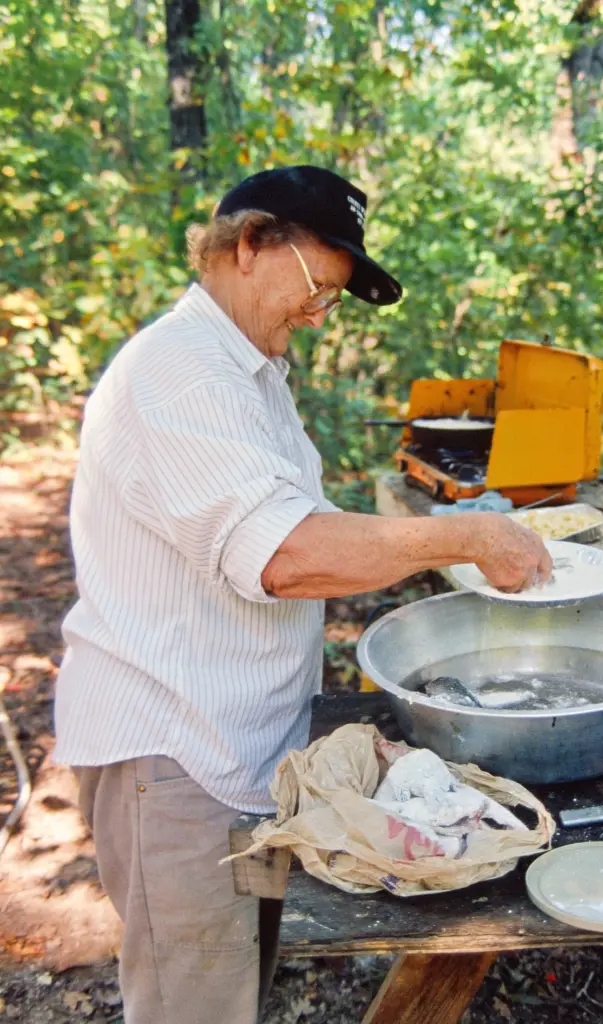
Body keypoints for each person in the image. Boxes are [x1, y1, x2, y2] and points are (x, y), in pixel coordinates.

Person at [54, 165, 550, 1024]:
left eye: (335, 299)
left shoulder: (247, 374)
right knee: (191, 1006)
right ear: (249, 245)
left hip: (242, 756)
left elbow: (296, 524)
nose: (320, 315)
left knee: (239, 984)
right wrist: (462, 536)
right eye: (319, 286)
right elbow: (284, 555)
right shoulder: (182, 375)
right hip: (176, 765)